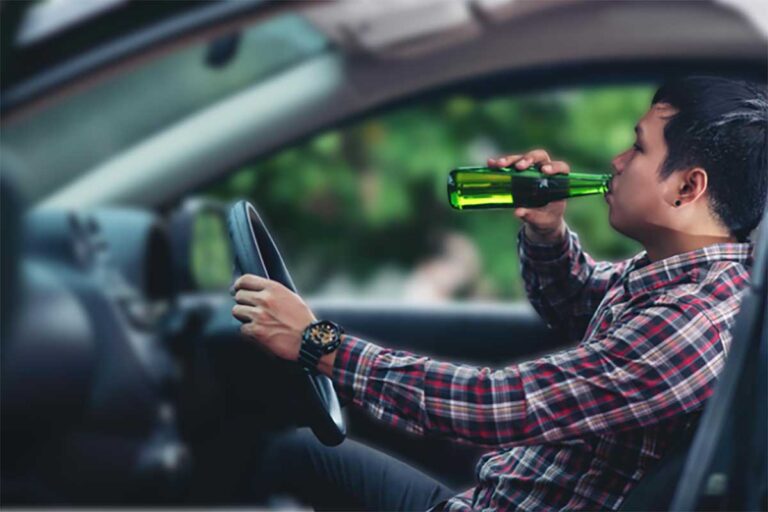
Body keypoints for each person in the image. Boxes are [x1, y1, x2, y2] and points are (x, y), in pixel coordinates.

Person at [231, 76, 767, 511]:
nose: (618, 161)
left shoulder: (695, 321)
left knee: (279, 459)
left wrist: (319, 344)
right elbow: (576, 304)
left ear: (687, 188)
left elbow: (495, 405)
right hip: (494, 497)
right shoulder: (678, 276)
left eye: (640, 147)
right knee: (291, 454)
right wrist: (547, 229)